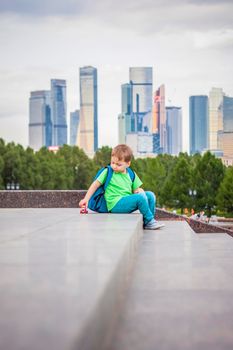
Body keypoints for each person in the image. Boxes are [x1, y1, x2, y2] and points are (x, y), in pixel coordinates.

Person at [79, 144, 164, 230]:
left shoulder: (131, 174)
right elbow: (95, 184)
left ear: (128, 164)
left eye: (118, 164)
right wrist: (86, 199)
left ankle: (149, 221)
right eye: (112, 163)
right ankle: (150, 221)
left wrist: (140, 190)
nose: (114, 166)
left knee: (150, 195)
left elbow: (135, 191)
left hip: (126, 201)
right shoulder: (108, 171)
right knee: (140, 198)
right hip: (114, 204)